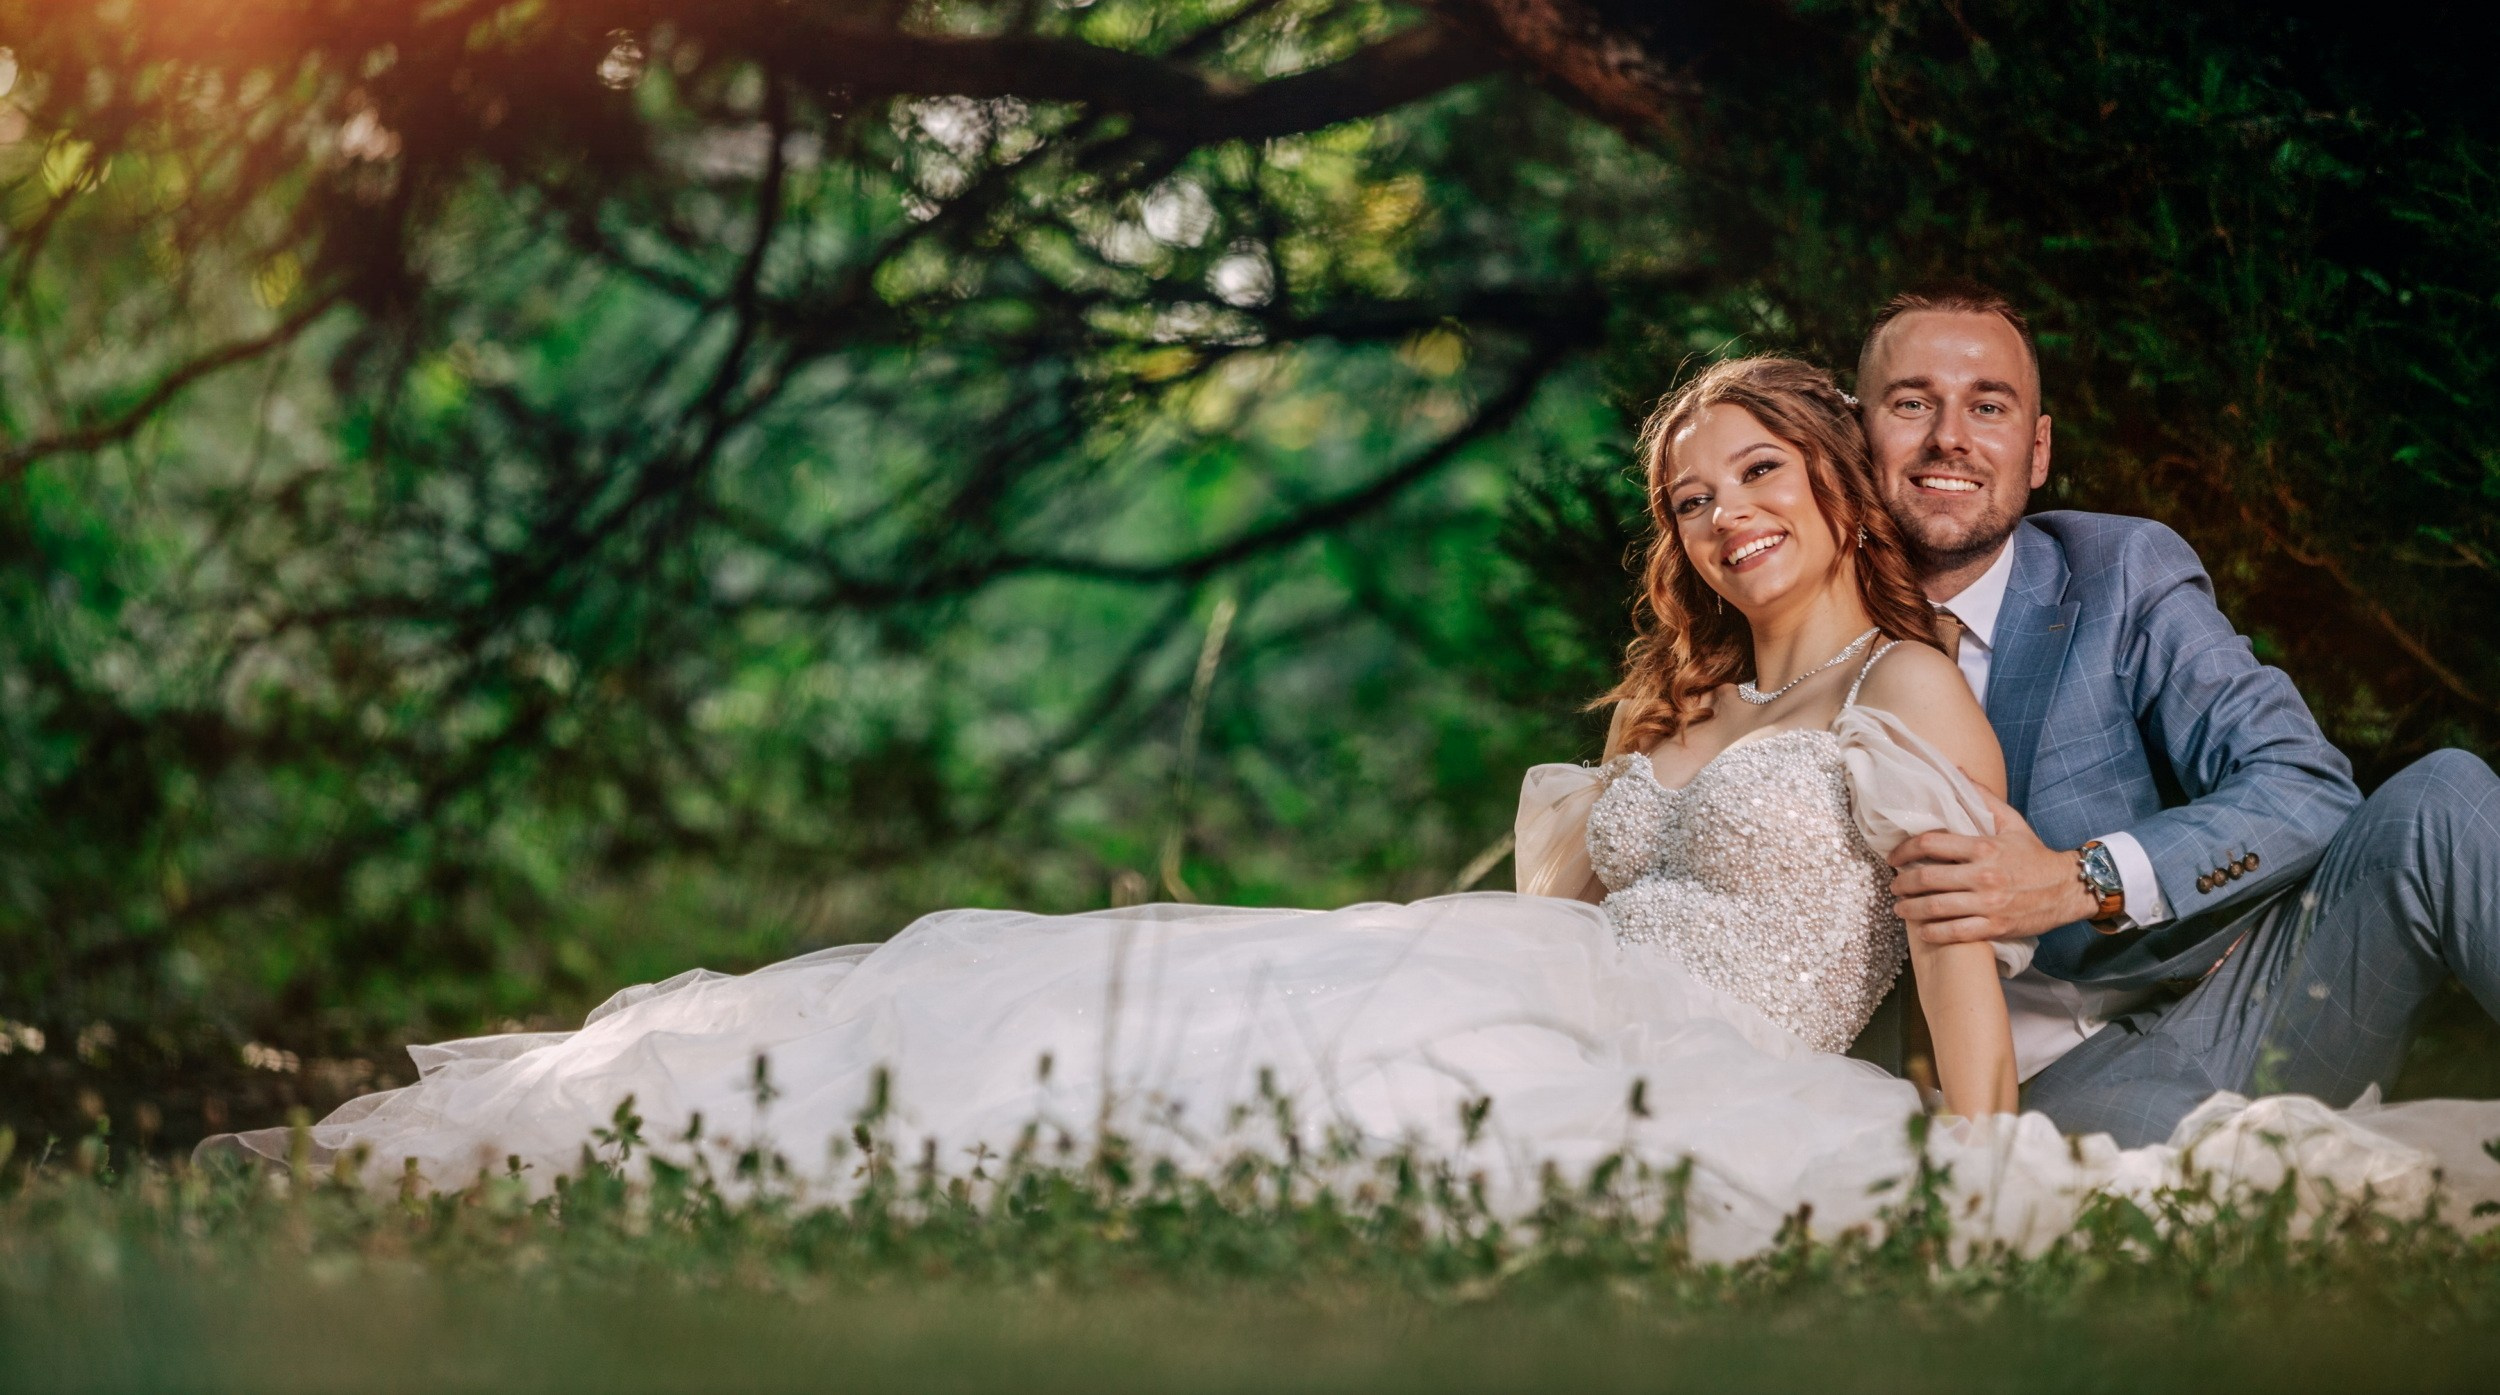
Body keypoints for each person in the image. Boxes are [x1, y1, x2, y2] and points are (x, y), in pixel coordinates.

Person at [201, 357, 2484, 1257]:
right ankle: (605, 1121)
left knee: (1273, 1094)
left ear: (1833, 475)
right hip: (1549, 974)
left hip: (1705, 1062)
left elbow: (1957, 958)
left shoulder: (1911, 693)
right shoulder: (1668, 717)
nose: (1725, 518)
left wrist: (1986, 1174)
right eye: (1693, 499)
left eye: (1761, 473)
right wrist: (1585, 817)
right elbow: (1567, 881)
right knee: (1134, 1010)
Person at [1856, 289, 2500, 1148]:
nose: (1949, 437)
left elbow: (2304, 785)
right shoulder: (1807, 644)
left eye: (1988, 405)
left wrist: (2074, 880)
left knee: (2446, 798)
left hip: (2254, 997)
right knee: (2163, 1176)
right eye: (1910, 403)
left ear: (2036, 449)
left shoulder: (2118, 572)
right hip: (2043, 1088)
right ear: (1854, 435)